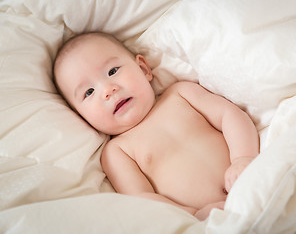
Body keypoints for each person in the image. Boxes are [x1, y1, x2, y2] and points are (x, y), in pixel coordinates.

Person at [53, 32, 259, 220]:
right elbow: (142, 199)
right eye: (89, 92)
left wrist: (243, 158)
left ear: (143, 69)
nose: (108, 89)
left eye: (112, 71)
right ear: (81, 117)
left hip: (254, 180)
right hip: (209, 221)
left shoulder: (181, 94)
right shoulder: (117, 152)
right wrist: (194, 215)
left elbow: (230, 115)